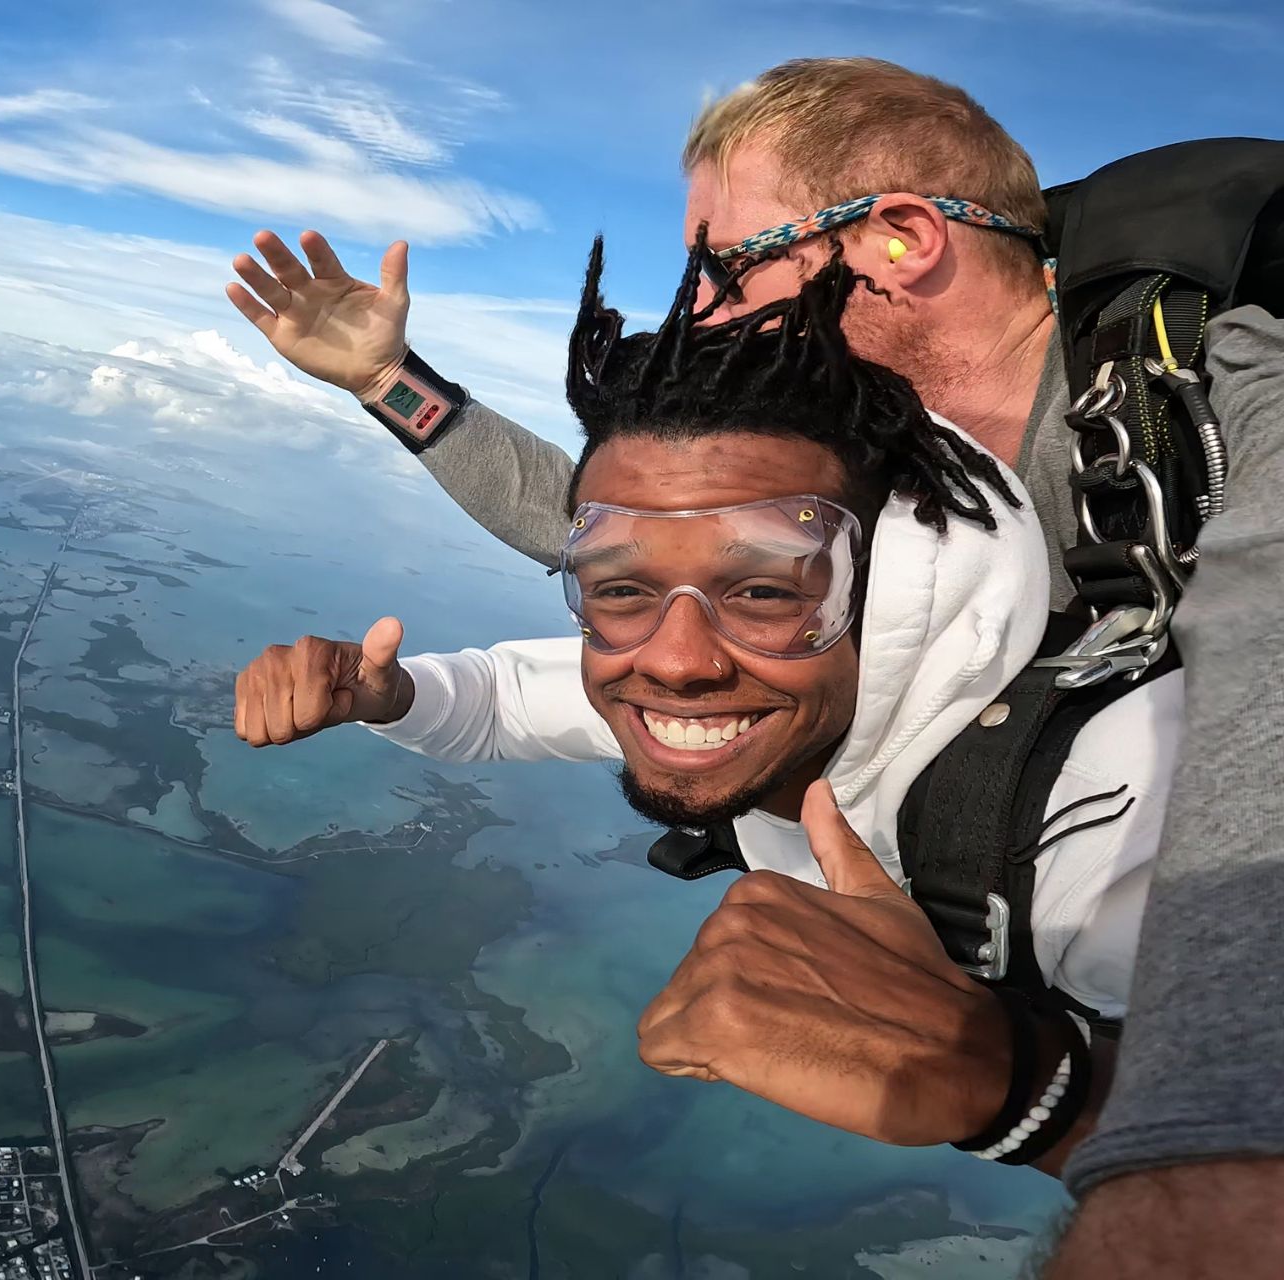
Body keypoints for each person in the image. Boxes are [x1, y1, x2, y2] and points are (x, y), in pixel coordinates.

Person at [226, 58, 1284, 1273]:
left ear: (898, 239)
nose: (709, 316)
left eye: (727, 268)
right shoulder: (892, 454)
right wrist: (388, 381)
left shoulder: (1224, 383)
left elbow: (1268, 643)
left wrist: (1197, 1148)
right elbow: (642, 542)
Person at [238, 236, 1180, 1175]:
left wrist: (1027, 1094)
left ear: (899, 597)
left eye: (767, 592)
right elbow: (502, 700)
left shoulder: (1116, 816)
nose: (678, 665)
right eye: (620, 589)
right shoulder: (730, 692)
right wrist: (388, 694)